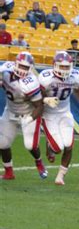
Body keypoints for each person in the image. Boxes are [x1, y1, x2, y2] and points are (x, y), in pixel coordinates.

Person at [39, 51, 79, 185]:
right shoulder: (46, 78)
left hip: (65, 113)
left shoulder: (74, 77)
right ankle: (50, 147)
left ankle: (61, 176)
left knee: (68, 145)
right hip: (49, 115)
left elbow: (77, 89)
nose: (65, 70)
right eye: (62, 67)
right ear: (55, 65)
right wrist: (45, 99)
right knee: (57, 148)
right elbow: (35, 97)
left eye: (67, 67)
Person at [0, 52, 48, 180]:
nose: (22, 70)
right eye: (20, 66)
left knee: (30, 145)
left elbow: (39, 106)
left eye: (25, 68)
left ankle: (38, 161)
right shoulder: (5, 70)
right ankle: (9, 172)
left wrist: (30, 118)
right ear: (15, 64)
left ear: (31, 68)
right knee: (2, 144)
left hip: (27, 113)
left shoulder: (31, 82)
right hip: (10, 111)